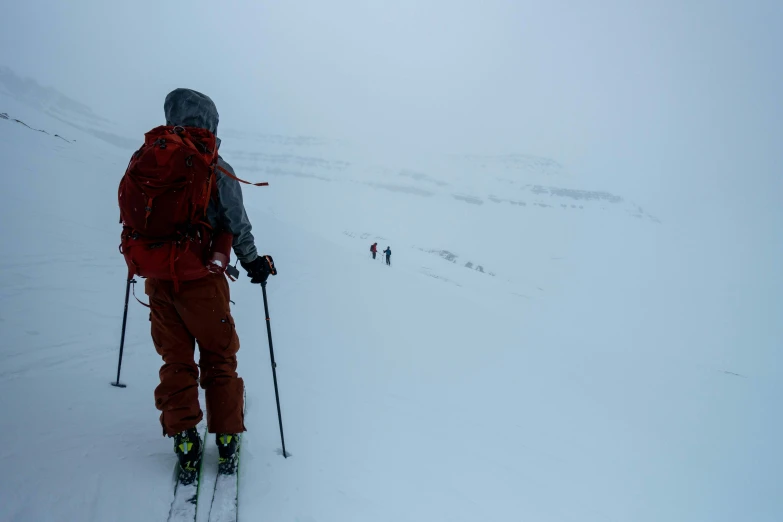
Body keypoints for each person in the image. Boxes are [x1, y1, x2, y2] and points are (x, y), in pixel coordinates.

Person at [146, 88, 276, 477]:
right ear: (212, 123)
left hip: (158, 280)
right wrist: (253, 263)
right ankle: (226, 438)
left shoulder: (151, 160)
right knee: (219, 358)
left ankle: (185, 438)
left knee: (176, 358)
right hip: (203, 281)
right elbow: (236, 223)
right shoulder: (214, 166)